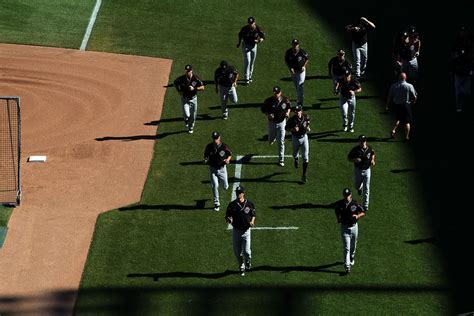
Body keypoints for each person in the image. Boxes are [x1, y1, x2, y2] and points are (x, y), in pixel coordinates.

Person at [225, 185, 256, 276]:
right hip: (236, 231)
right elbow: (227, 216)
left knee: (247, 252)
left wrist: (252, 221)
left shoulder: (249, 203)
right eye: (237, 193)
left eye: (239, 193)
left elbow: (253, 214)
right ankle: (241, 267)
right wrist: (229, 220)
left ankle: (248, 260)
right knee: (237, 252)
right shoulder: (232, 205)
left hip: (246, 231)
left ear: (243, 193)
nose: (238, 194)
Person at [334, 188, 366, 274]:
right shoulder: (340, 204)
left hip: (354, 227)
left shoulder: (354, 204)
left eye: (347, 195)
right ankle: (347, 266)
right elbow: (336, 211)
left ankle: (351, 257)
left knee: (353, 245)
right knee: (346, 248)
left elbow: (363, 211)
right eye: (345, 195)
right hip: (344, 228)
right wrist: (338, 219)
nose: (346, 197)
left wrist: (358, 216)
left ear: (350, 195)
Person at [261, 86, 291, 166]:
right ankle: (272, 138)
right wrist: (268, 115)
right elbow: (263, 109)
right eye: (275, 93)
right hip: (272, 123)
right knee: (270, 139)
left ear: (280, 92)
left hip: (282, 123)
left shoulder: (285, 100)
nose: (276, 95)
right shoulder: (269, 101)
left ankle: (281, 160)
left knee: (281, 141)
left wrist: (288, 113)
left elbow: (288, 107)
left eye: (277, 93)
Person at [204, 131, 232, 211]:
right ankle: (216, 203)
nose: (215, 140)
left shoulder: (224, 146)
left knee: (225, 187)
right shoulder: (209, 146)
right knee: (215, 186)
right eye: (214, 138)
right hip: (212, 169)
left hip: (222, 169)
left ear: (219, 137)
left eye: (216, 138)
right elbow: (206, 155)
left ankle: (221, 182)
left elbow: (229, 154)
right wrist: (206, 160)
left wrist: (228, 160)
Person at [173, 64, 205, 134]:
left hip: (193, 99)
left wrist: (195, 88)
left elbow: (202, 87)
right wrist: (179, 91)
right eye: (186, 71)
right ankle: (186, 120)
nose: (187, 72)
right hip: (185, 99)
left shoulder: (196, 78)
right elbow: (175, 83)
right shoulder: (181, 78)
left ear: (191, 71)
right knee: (187, 115)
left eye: (189, 71)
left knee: (193, 116)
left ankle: (190, 128)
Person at [386, 72, 417, 141]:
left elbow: (389, 97)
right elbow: (414, 96)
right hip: (406, 105)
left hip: (397, 105)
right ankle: (406, 136)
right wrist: (413, 102)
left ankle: (393, 130)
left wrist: (387, 105)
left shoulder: (394, 86)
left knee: (398, 119)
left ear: (399, 78)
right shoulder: (409, 86)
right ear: (405, 78)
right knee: (407, 122)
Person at [347, 135, 375, 212]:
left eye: (363, 141)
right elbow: (349, 157)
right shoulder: (355, 150)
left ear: (366, 141)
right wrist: (354, 160)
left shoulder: (369, 148)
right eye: (361, 141)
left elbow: (372, 153)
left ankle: (365, 205)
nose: (362, 143)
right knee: (357, 186)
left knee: (366, 188)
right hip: (358, 170)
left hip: (367, 170)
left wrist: (372, 160)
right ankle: (359, 188)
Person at [285, 104, 310, 183]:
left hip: (304, 138)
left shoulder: (306, 117)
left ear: (301, 111)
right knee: (295, 153)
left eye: (298, 111)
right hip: (295, 138)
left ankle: (304, 175)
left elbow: (307, 123)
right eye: (296, 111)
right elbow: (286, 128)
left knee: (305, 157)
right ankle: (296, 159)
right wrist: (292, 129)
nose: (297, 112)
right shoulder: (292, 120)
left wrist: (308, 127)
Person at [237, 16, 265, 84]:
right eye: (249, 23)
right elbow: (240, 35)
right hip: (245, 46)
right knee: (247, 61)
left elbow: (263, 37)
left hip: (254, 46)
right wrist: (239, 43)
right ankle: (246, 78)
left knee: (252, 62)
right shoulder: (244, 29)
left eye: (252, 23)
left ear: (254, 22)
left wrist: (259, 41)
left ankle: (250, 76)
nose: (250, 24)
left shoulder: (258, 29)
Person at [284, 39, 310, 106]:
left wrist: (304, 66)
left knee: (300, 85)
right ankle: (300, 97)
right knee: (297, 87)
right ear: (292, 45)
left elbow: (307, 58)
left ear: (298, 45)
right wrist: (290, 68)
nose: (295, 46)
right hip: (293, 72)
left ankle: (300, 102)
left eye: (296, 44)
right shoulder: (288, 52)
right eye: (294, 44)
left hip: (301, 71)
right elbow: (287, 61)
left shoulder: (302, 52)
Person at [450, 48, 472, 112]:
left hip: (466, 76)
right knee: (458, 93)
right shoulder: (455, 60)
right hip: (458, 77)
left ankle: (465, 105)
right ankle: (458, 107)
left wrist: (470, 71)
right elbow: (452, 69)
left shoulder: (468, 59)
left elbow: (470, 66)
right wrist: (452, 76)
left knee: (467, 92)